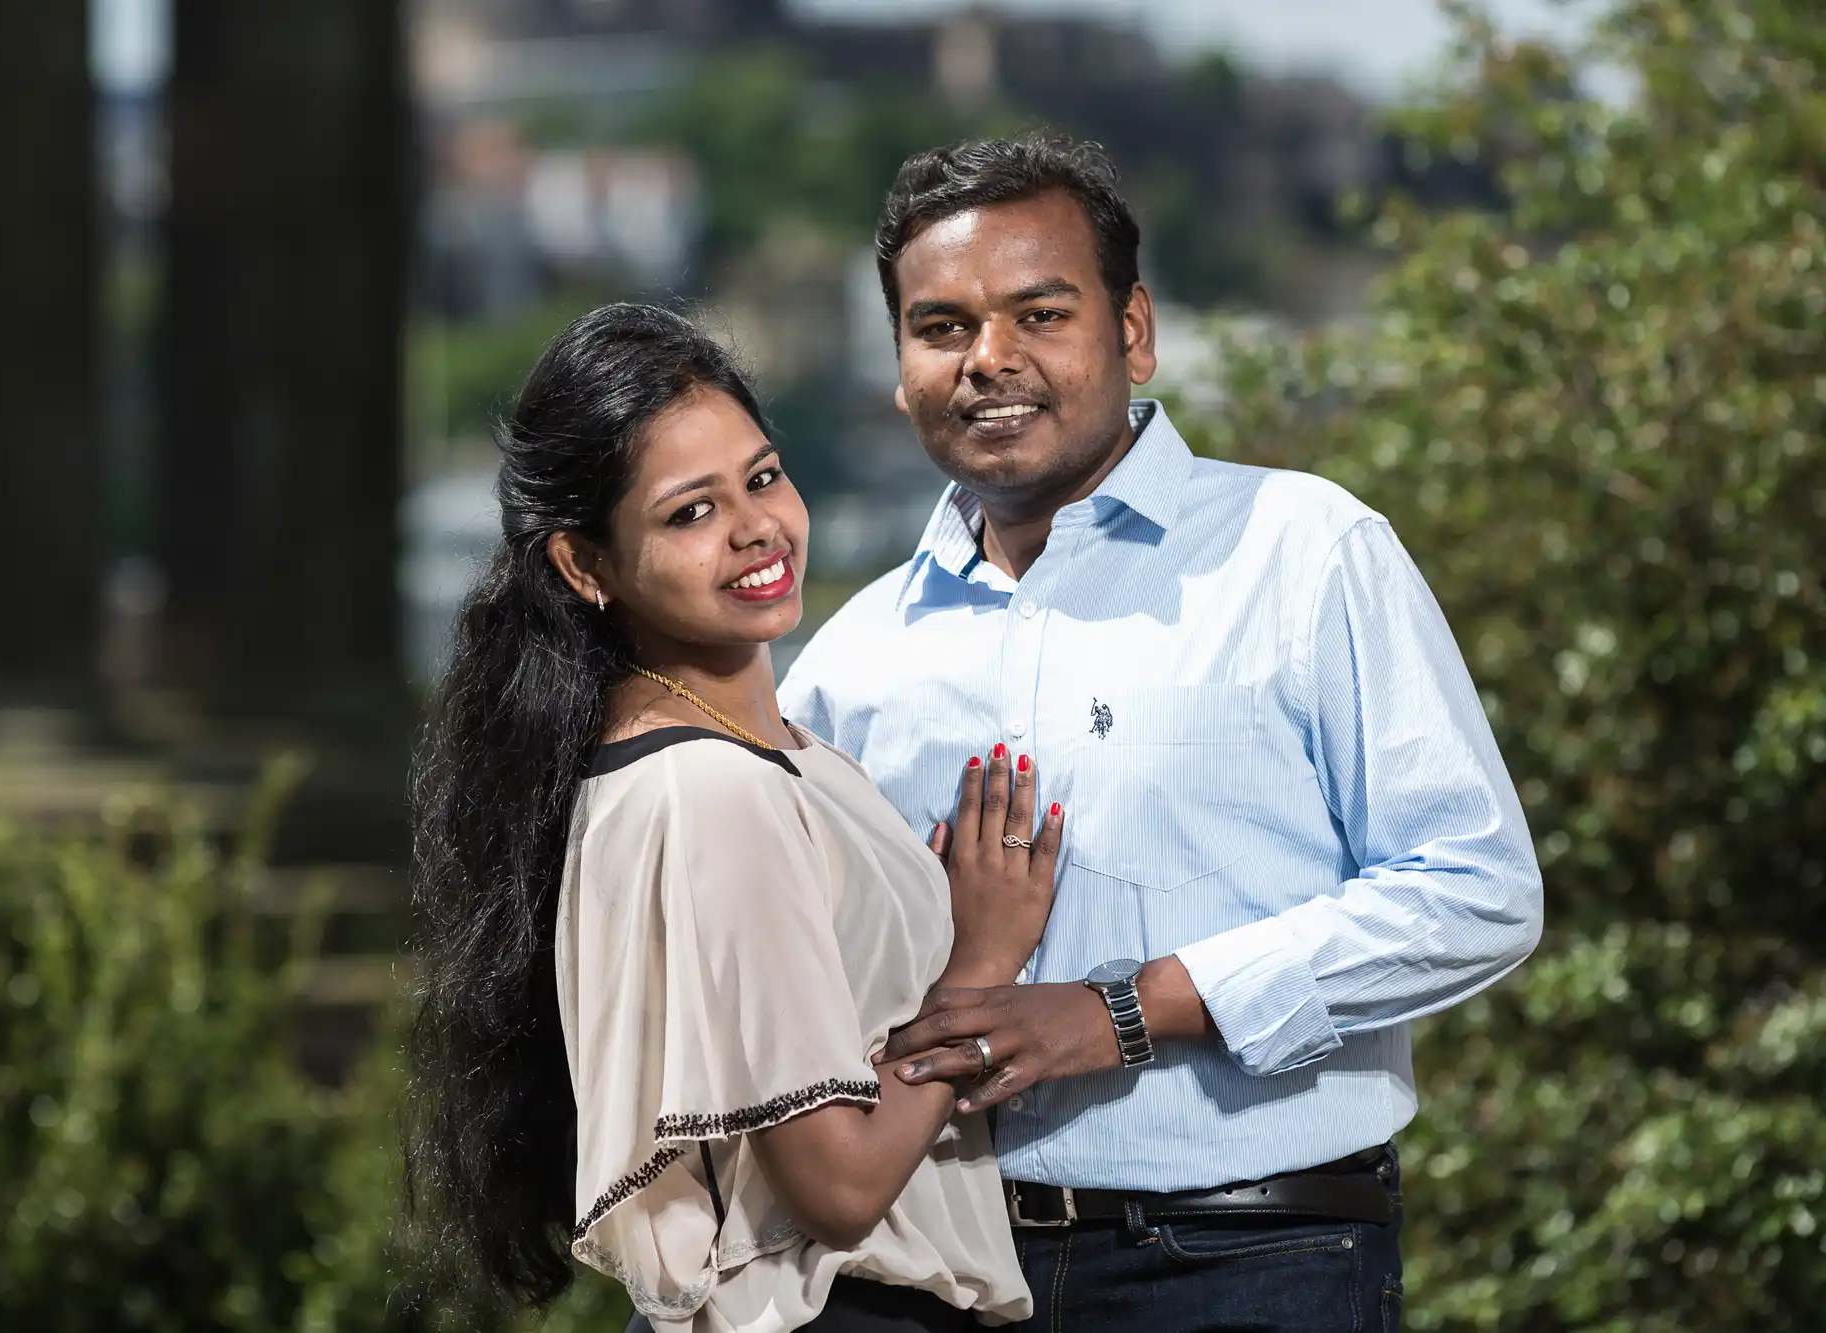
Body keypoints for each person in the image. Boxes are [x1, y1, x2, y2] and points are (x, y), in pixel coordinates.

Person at [778, 133, 1546, 1332]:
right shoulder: (849, 662)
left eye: (1039, 313)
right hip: (932, 1275)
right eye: (940, 328)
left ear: (1131, 331)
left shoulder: (1301, 552)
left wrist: (1130, 1008)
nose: (989, 360)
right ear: (897, 365)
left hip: (1248, 1257)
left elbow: (1476, 890)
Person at [405, 303, 1059, 1333]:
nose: (754, 528)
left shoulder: (761, 756)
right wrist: (980, 963)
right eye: (687, 512)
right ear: (584, 566)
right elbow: (836, 1188)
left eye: (760, 477)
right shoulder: (709, 790)